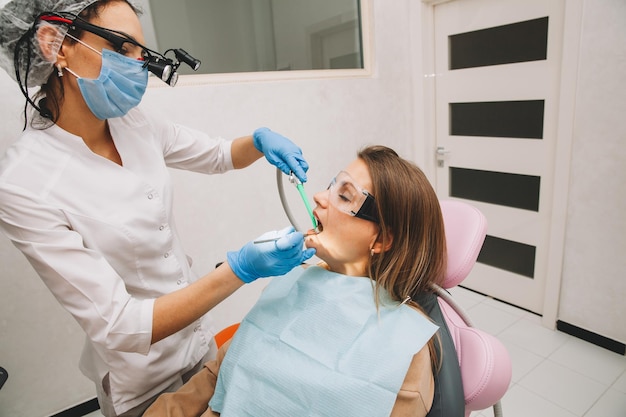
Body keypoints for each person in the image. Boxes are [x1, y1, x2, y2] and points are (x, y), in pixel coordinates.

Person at [0, 1, 316, 416]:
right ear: (56, 44)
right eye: (122, 48)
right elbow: (119, 325)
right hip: (140, 377)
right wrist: (241, 269)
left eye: (142, 55)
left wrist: (258, 142)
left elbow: (218, 154)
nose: (137, 66)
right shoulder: (24, 183)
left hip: (198, 345)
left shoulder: (134, 123)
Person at [144, 145, 448, 417]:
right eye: (331, 186)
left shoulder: (404, 352)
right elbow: (215, 377)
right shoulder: (291, 284)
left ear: (381, 239)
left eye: (344, 196)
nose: (318, 196)